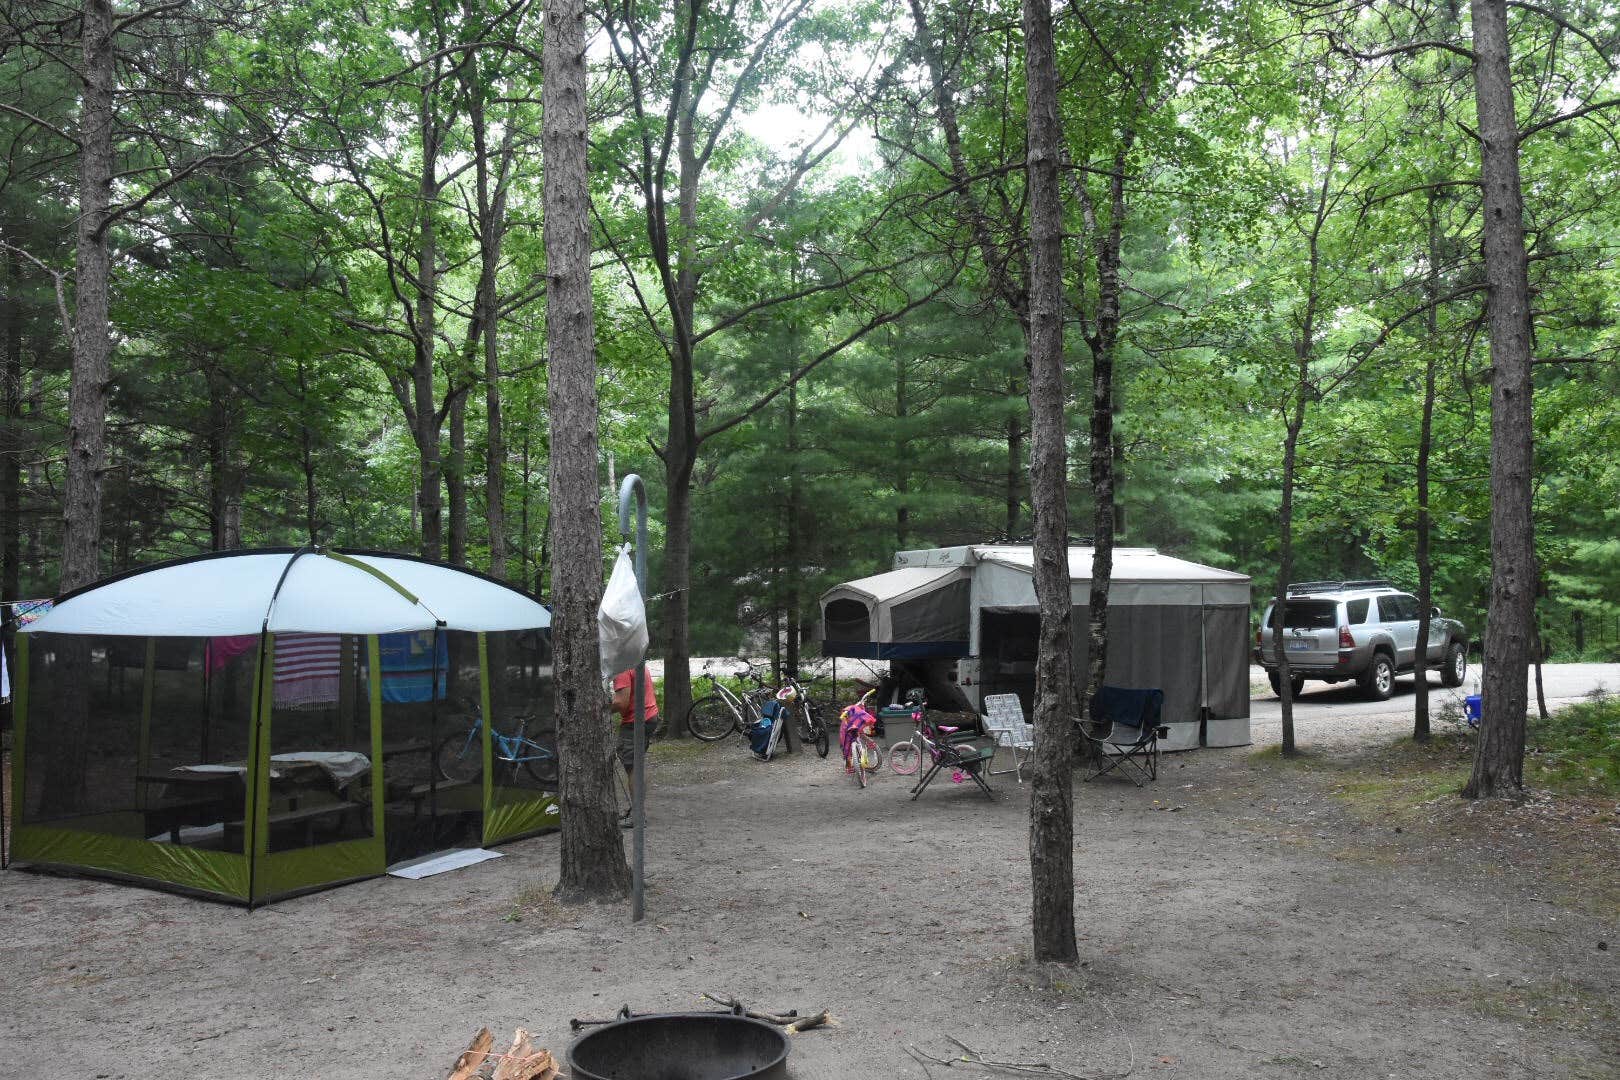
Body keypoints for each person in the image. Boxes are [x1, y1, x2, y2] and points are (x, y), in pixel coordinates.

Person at [611, 665, 659, 825]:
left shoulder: (622, 668)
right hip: (649, 716)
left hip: (636, 721)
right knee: (635, 767)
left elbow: (621, 703)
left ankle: (638, 816)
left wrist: (598, 708)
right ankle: (637, 810)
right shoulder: (635, 660)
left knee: (633, 768)